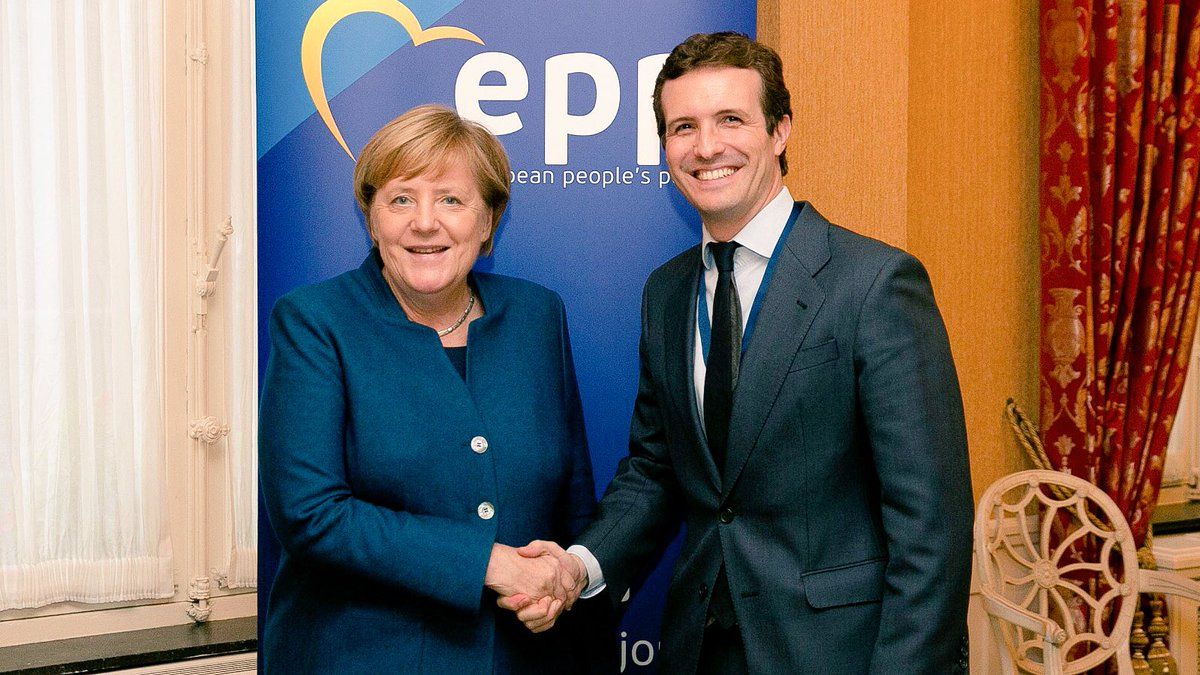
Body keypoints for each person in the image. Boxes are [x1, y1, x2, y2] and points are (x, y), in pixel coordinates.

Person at [503, 32, 973, 673]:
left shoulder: (873, 284)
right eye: (682, 127)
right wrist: (574, 567)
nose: (706, 147)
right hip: (701, 648)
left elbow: (931, 526)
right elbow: (656, 471)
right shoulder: (667, 293)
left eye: (731, 119)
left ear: (780, 130)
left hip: (839, 656)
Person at [259, 104, 614, 674]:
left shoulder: (536, 315)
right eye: (401, 199)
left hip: (522, 658)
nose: (426, 222)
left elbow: (572, 499)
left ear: (489, 220)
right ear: (372, 219)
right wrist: (489, 564)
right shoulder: (315, 322)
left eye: (451, 199)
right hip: (361, 658)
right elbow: (310, 515)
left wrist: (560, 584)